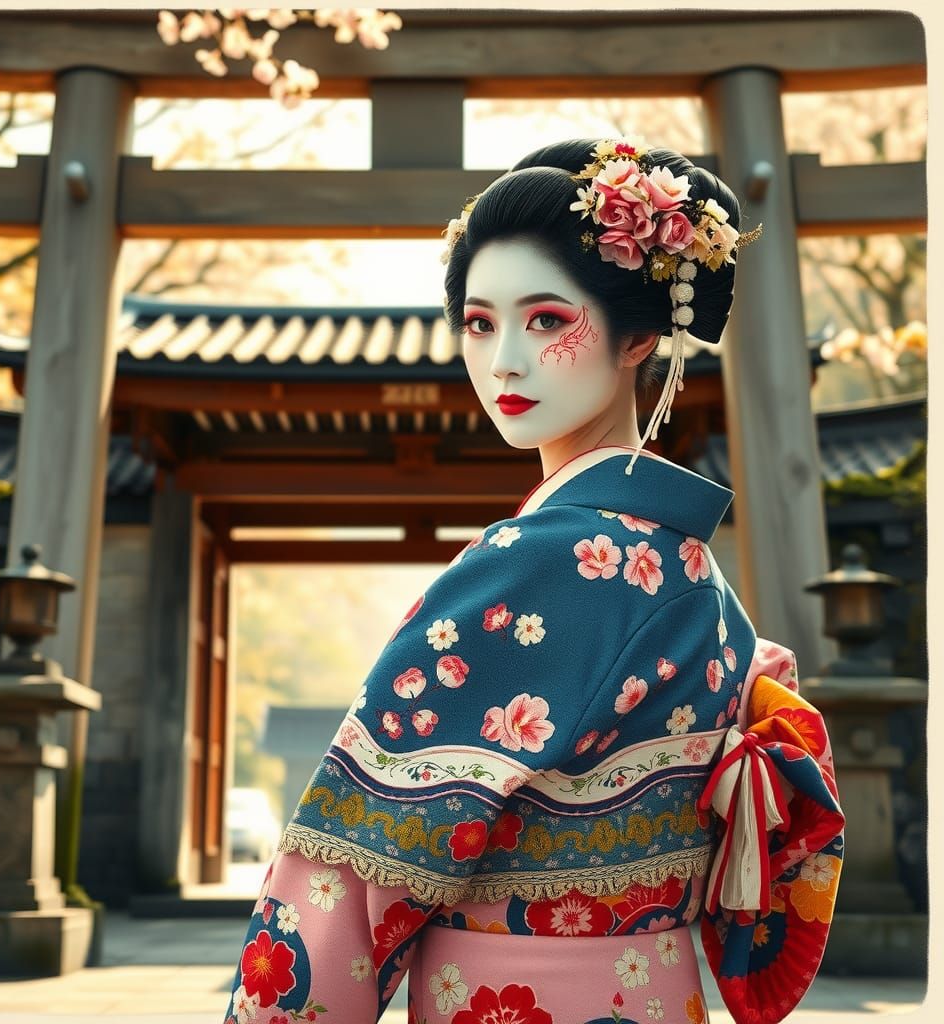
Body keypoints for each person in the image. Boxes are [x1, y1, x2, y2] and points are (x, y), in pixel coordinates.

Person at [222, 135, 845, 1024]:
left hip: (510, 998)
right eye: (480, 323)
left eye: (547, 320)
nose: (503, 360)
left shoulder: (540, 562)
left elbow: (350, 875)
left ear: (638, 335)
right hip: (660, 992)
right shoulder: (697, 573)